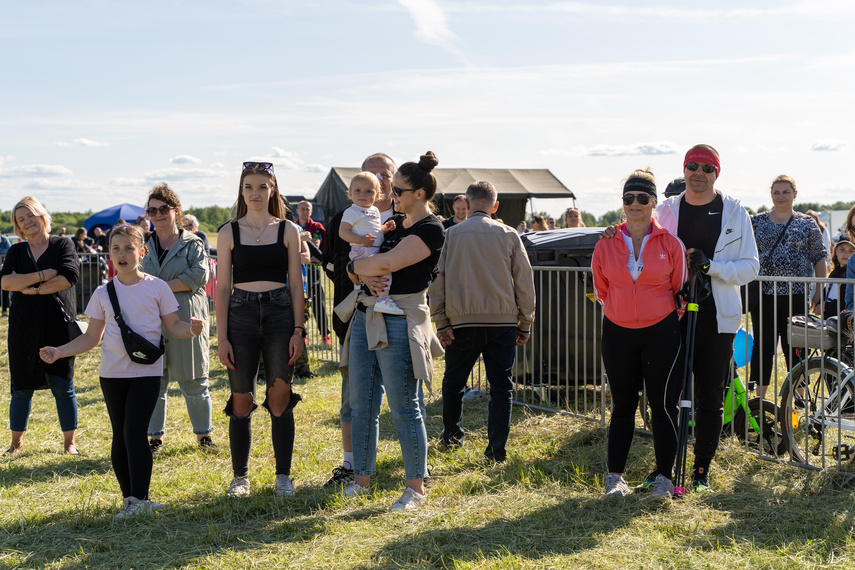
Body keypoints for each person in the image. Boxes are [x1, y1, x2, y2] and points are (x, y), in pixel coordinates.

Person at [602, 145, 759, 493]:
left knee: (709, 397)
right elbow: (637, 225)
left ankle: (701, 471)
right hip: (671, 316)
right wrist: (613, 232)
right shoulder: (670, 208)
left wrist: (711, 266)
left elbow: (751, 267)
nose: (698, 172)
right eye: (692, 166)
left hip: (717, 316)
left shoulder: (734, 212)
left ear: (717, 173)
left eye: (706, 167)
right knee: (666, 398)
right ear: (684, 169)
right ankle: (664, 471)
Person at [39, 224, 204, 519]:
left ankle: (140, 499)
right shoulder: (103, 292)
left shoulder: (157, 287)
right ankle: (130, 500)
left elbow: (174, 327)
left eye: (129, 248)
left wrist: (191, 329)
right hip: (112, 374)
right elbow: (91, 337)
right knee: (120, 434)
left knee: (134, 432)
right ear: (109, 254)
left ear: (142, 252)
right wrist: (60, 351)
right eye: (116, 249)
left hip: (148, 372)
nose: (122, 254)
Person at [338, 151, 445, 510]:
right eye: (391, 187)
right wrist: (359, 270)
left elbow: (384, 262)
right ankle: (361, 480)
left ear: (419, 193)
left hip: (400, 319)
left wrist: (362, 267)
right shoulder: (395, 223)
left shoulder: (431, 229)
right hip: (368, 313)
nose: (390, 193)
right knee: (361, 402)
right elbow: (351, 268)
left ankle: (415, 486)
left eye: (398, 189)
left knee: (403, 406)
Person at [592, 170, 687, 498]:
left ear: (653, 203)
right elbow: (601, 288)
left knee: (663, 406)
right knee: (622, 405)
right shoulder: (605, 243)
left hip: (661, 330)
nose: (635, 204)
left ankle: (664, 477)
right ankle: (615, 477)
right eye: (629, 198)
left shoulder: (670, 243)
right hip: (617, 331)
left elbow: (678, 288)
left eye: (642, 198)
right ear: (623, 203)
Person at [215, 161, 305, 498]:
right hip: (240, 316)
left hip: (282, 315)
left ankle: (283, 476)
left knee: (279, 397)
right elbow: (222, 289)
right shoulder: (228, 232)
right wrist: (221, 337)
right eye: (249, 187)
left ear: (272, 190)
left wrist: (298, 329)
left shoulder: (288, 230)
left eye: (262, 187)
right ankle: (240, 478)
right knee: (242, 400)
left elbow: (297, 285)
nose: (255, 193)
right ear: (241, 190)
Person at [429, 180, 535, 463]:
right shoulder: (509, 234)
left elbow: (437, 281)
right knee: (501, 388)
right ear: (495, 206)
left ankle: (452, 435)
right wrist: (525, 322)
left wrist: (440, 321)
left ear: (468, 203)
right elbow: (525, 282)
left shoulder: (451, 234)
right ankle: (496, 450)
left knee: (453, 382)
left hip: (461, 320)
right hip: (503, 322)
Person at [321, 152, 403, 487]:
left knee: (402, 397)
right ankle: (351, 465)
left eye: (384, 174)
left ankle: (408, 465)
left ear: (393, 180)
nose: (377, 180)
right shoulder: (345, 218)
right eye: (370, 174)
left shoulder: (405, 218)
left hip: (399, 315)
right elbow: (333, 264)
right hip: (356, 315)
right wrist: (359, 278)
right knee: (354, 398)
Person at [0, 196, 80, 456]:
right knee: (21, 386)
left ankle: (70, 444)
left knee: (63, 384)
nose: (27, 222)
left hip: (58, 325)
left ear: (42, 216)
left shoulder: (63, 244)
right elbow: (6, 284)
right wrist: (44, 275)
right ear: (18, 227)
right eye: (21, 219)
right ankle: (16, 444)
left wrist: (30, 289)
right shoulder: (15, 251)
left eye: (30, 215)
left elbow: (68, 277)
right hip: (23, 328)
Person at [141, 184, 216, 454]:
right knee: (153, 382)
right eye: (152, 210)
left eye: (163, 209)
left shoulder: (192, 242)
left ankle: (204, 437)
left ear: (176, 211)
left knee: (195, 381)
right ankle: (154, 439)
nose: (158, 214)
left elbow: (197, 277)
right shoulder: (143, 245)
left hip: (187, 318)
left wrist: (158, 286)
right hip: (151, 322)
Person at [749, 175, 826, 399]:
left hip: (797, 293)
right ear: (771, 195)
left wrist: (819, 290)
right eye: (776, 192)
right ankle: (759, 402)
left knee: (796, 348)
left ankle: (802, 401)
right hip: (763, 294)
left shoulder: (807, 223)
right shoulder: (757, 221)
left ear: (795, 194)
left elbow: (819, 257)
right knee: (763, 347)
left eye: (785, 192)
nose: (780, 196)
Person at [339, 172, 401, 315]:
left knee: (381, 274)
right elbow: (343, 232)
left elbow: (374, 230)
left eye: (369, 191)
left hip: (372, 248)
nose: (363, 194)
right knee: (382, 273)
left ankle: (380, 301)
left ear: (377, 195)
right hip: (362, 249)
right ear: (350, 193)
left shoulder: (374, 210)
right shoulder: (352, 211)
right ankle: (383, 301)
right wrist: (361, 240)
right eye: (358, 190)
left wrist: (385, 228)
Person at [295, 200, 330, 344]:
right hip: (297, 271)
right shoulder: (292, 226)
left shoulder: (316, 227)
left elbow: (315, 246)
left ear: (311, 212)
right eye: (302, 209)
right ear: (297, 211)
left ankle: (325, 335)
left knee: (317, 302)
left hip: (312, 271)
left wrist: (299, 253)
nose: (304, 211)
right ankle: (303, 334)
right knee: (298, 304)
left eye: (307, 209)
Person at [823, 240, 854, 319]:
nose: (846, 254)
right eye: (842, 250)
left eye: (851, 251)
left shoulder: (850, 275)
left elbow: (845, 302)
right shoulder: (834, 272)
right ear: (836, 251)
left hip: (843, 321)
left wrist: (826, 306)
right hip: (829, 320)